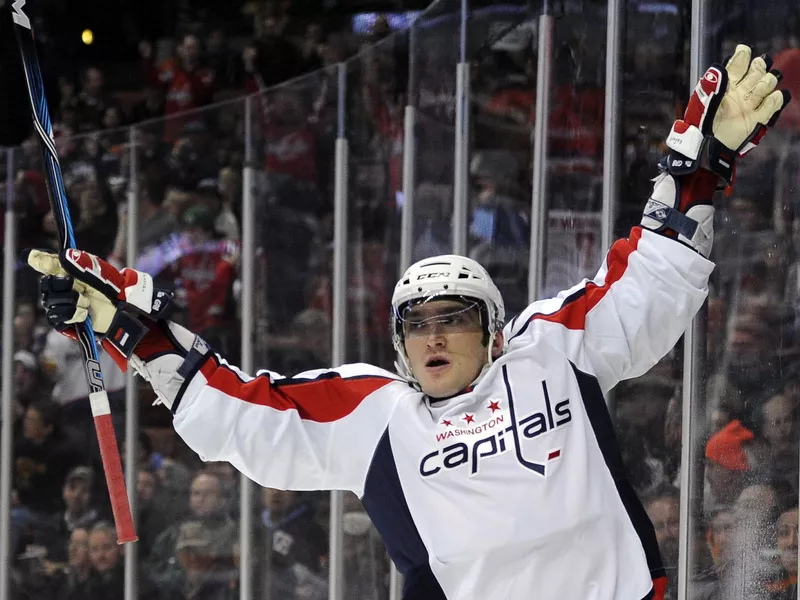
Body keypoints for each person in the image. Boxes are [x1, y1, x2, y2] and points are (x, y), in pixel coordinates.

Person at [25, 45, 791, 599]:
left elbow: (651, 280)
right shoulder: (375, 414)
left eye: (454, 318)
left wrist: (704, 164)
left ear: (492, 329)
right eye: (416, 323)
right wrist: (131, 327)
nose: (433, 335)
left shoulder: (553, 350)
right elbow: (239, 416)